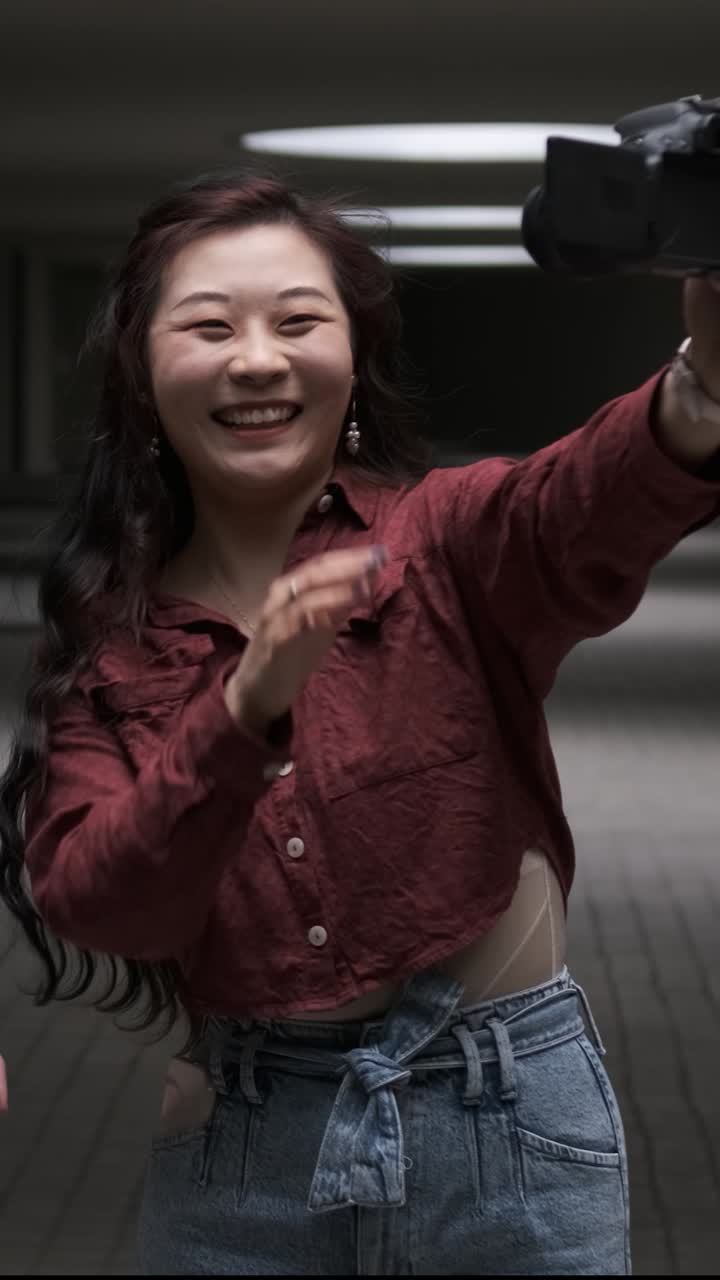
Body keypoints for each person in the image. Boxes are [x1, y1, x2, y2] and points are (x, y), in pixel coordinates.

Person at [1, 169, 719, 1277]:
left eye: (299, 320)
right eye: (209, 326)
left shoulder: (446, 538)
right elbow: (101, 896)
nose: (256, 358)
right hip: (245, 1142)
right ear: (143, 373)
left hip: (509, 1120)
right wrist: (244, 710)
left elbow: (587, 497)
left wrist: (701, 385)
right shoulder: (108, 638)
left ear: (354, 356)